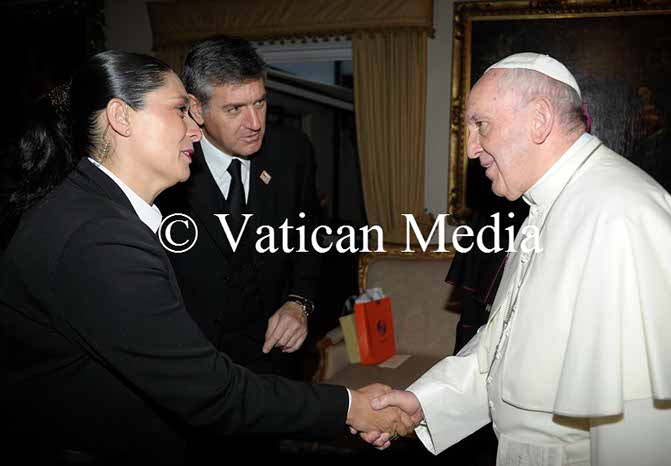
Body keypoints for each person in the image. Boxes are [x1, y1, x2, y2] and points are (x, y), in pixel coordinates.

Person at [0, 50, 413, 465]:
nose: (195, 130)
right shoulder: (100, 240)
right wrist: (350, 407)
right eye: (180, 110)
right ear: (121, 117)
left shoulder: (88, 207)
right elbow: (211, 393)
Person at [364, 53, 671, 465]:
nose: (470, 149)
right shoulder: (542, 209)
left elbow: (651, 432)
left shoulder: (623, 216)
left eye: (481, 125)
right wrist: (424, 402)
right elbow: (502, 348)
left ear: (539, 119)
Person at [157, 36, 320, 380]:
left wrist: (299, 303)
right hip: (194, 367)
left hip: (276, 364)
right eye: (235, 109)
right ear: (196, 109)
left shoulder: (293, 152)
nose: (255, 122)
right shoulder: (163, 165)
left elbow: (309, 240)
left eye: (260, 102)